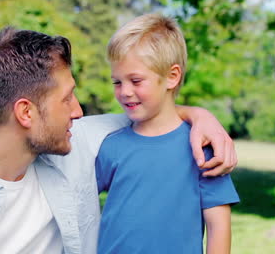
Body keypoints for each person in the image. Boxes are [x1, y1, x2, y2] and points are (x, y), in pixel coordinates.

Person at [0, 27, 236, 254]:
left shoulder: (77, 144)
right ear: (26, 113)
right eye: (66, 99)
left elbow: (157, 118)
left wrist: (200, 116)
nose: (79, 112)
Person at [95, 14, 240, 254]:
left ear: (172, 77)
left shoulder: (202, 148)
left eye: (136, 80)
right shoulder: (110, 146)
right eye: (117, 82)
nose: (124, 92)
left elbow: (219, 226)